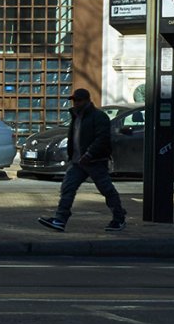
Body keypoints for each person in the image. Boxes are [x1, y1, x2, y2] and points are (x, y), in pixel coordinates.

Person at [41, 86, 129, 231]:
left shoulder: (98, 117)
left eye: (79, 100)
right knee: (67, 189)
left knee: (107, 190)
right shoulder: (76, 117)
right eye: (74, 100)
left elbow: (102, 138)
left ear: (87, 101)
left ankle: (119, 218)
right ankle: (60, 219)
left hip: (95, 161)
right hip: (77, 162)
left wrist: (89, 154)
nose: (75, 103)